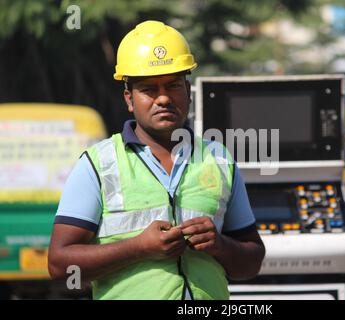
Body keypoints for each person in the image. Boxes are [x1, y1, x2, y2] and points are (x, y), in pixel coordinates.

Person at [48, 20, 265, 300]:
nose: (163, 98)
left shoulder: (218, 159)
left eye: (173, 85)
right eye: (149, 89)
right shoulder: (98, 164)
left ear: (188, 90)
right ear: (129, 99)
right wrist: (137, 248)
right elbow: (59, 266)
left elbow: (252, 262)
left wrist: (220, 245)